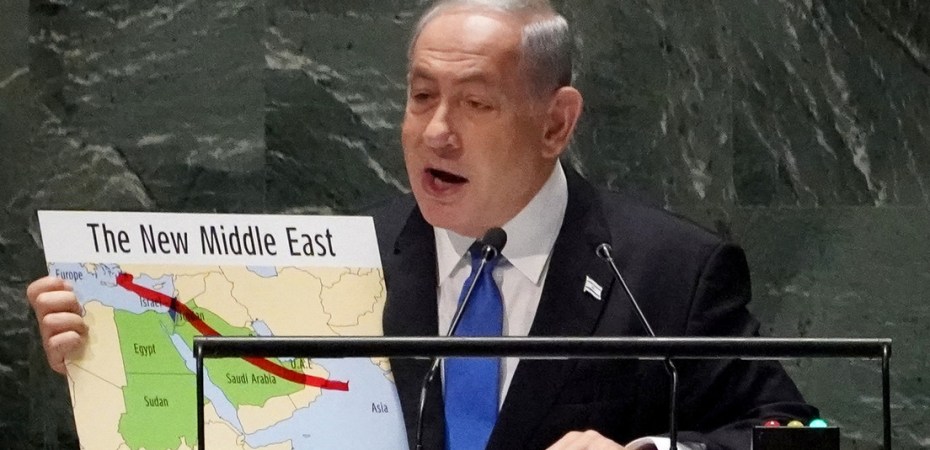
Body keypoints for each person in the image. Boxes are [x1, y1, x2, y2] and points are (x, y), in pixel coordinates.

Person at [28, 0, 817, 449]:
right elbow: (242, 418)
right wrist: (102, 352)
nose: (437, 132)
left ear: (555, 123)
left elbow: (797, 432)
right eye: (420, 97)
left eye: (474, 103)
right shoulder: (346, 262)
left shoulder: (668, 270)